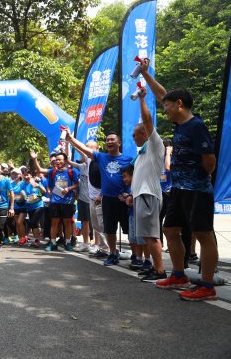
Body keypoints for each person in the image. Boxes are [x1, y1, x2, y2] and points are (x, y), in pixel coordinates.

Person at [141, 58, 219, 301]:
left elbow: (209, 161)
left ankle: (207, 285)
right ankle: (178, 275)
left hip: (196, 189)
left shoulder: (196, 126)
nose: (164, 110)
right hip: (179, 189)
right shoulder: (180, 124)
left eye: (167, 107)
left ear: (180, 104)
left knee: (203, 234)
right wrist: (146, 74)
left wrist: (197, 178)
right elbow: (163, 94)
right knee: (170, 229)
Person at [65, 130, 132, 265]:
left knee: (129, 230)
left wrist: (130, 194)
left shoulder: (128, 159)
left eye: (112, 139)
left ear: (119, 143)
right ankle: (112, 253)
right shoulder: (101, 158)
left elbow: (133, 178)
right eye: (107, 140)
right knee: (109, 229)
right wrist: (71, 139)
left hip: (123, 199)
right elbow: (83, 149)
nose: (109, 142)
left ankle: (137, 256)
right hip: (107, 199)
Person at [129, 89, 167, 282]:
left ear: (144, 133)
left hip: (148, 195)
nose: (133, 137)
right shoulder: (142, 152)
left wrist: (142, 99)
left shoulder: (154, 144)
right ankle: (154, 266)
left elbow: (148, 120)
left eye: (135, 134)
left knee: (152, 235)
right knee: (146, 235)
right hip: (140, 195)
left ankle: (160, 270)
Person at [44, 152, 79, 252]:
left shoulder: (72, 171)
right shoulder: (53, 172)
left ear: (65, 160)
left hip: (68, 202)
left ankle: (67, 243)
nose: (57, 161)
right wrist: (50, 192)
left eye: (60, 159)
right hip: (55, 201)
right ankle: (53, 243)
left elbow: (77, 184)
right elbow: (50, 185)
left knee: (67, 223)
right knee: (54, 223)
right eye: (56, 159)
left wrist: (68, 188)